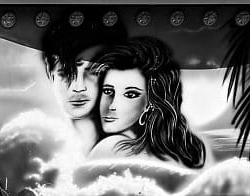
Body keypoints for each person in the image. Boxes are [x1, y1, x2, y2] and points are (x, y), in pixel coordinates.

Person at [89, 37, 206, 168]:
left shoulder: (111, 148)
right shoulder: (162, 153)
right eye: (108, 91)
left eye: (130, 95)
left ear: (149, 104)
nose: (112, 106)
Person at [41, 10, 127, 156]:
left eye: (93, 72)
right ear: (50, 72)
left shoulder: (123, 149)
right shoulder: (38, 142)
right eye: (66, 74)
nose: (79, 87)